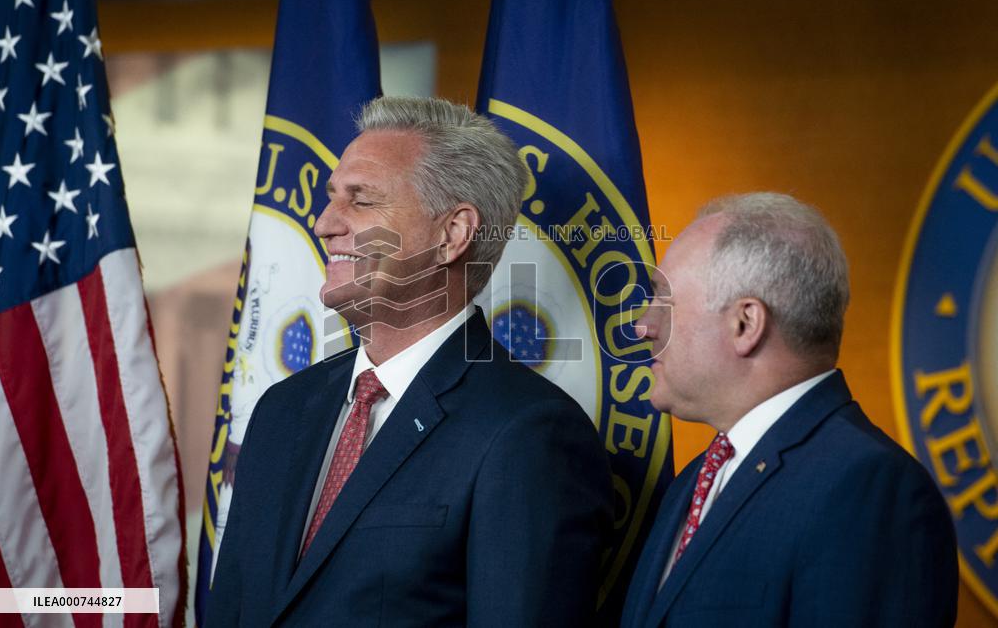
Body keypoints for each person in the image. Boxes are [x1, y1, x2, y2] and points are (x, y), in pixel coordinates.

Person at [206, 97, 613, 626]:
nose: (325, 222)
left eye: (362, 200)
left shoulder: (529, 432)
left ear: (452, 235)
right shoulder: (282, 410)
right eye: (332, 198)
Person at [622, 193, 958, 627]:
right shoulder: (697, 479)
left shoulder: (871, 490)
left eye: (664, 300)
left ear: (746, 324)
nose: (643, 325)